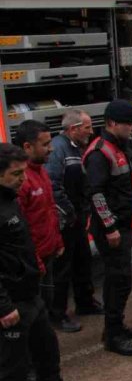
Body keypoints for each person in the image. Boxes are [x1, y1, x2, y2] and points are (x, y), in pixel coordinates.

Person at [0, 143, 90, 381]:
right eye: (15, 174)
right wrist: (3, 307)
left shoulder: (10, 200)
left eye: (23, 172)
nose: (22, 179)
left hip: (29, 291)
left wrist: (37, 265)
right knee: (13, 366)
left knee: (47, 348)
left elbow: (22, 242)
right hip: (11, 301)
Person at [84, 100, 132, 356]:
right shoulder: (100, 152)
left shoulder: (118, 146)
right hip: (113, 229)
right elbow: (96, 194)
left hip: (122, 225)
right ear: (111, 123)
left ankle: (115, 327)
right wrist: (110, 227)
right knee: (117, 280)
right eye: (127, 123)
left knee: (122, 280)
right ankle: (113, 335)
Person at [47, 110, 103, 333]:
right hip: (67, 220)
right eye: (87, 127)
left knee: (82, 260)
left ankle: (85, 302)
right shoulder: (58, 150)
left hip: (77, 217)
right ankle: (57, 314)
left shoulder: (74, 148)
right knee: (62, 269)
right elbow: (53, 186)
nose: (91, 132)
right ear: (73, 129)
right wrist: (70, 213)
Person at [12, 122, 65, 325]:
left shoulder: (40, 170)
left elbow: (49, 209)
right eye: (45, 144)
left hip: (46, 254)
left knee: (45, 303)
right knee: (35, 312)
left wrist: (57, 240)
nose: (50, 148)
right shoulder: (23, 181)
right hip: (33, 263)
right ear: (27, 147)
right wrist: (36, 261)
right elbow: (21, 230)